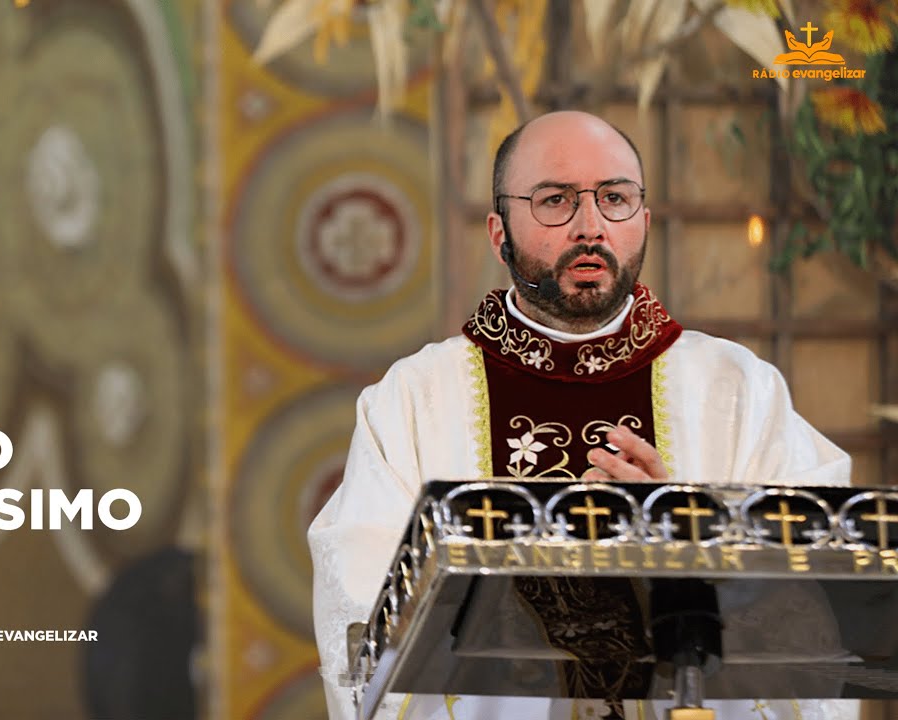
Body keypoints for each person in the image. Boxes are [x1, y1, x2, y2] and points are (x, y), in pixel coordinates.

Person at [307, 111, 858, 720]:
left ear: (644, 221)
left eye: (615, 198)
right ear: (498, 232)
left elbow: (818, 603)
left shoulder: (739, 392)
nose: (591, 226)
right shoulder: (414, 400)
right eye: (555, 200)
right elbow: (363, 623)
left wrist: (684, 552)